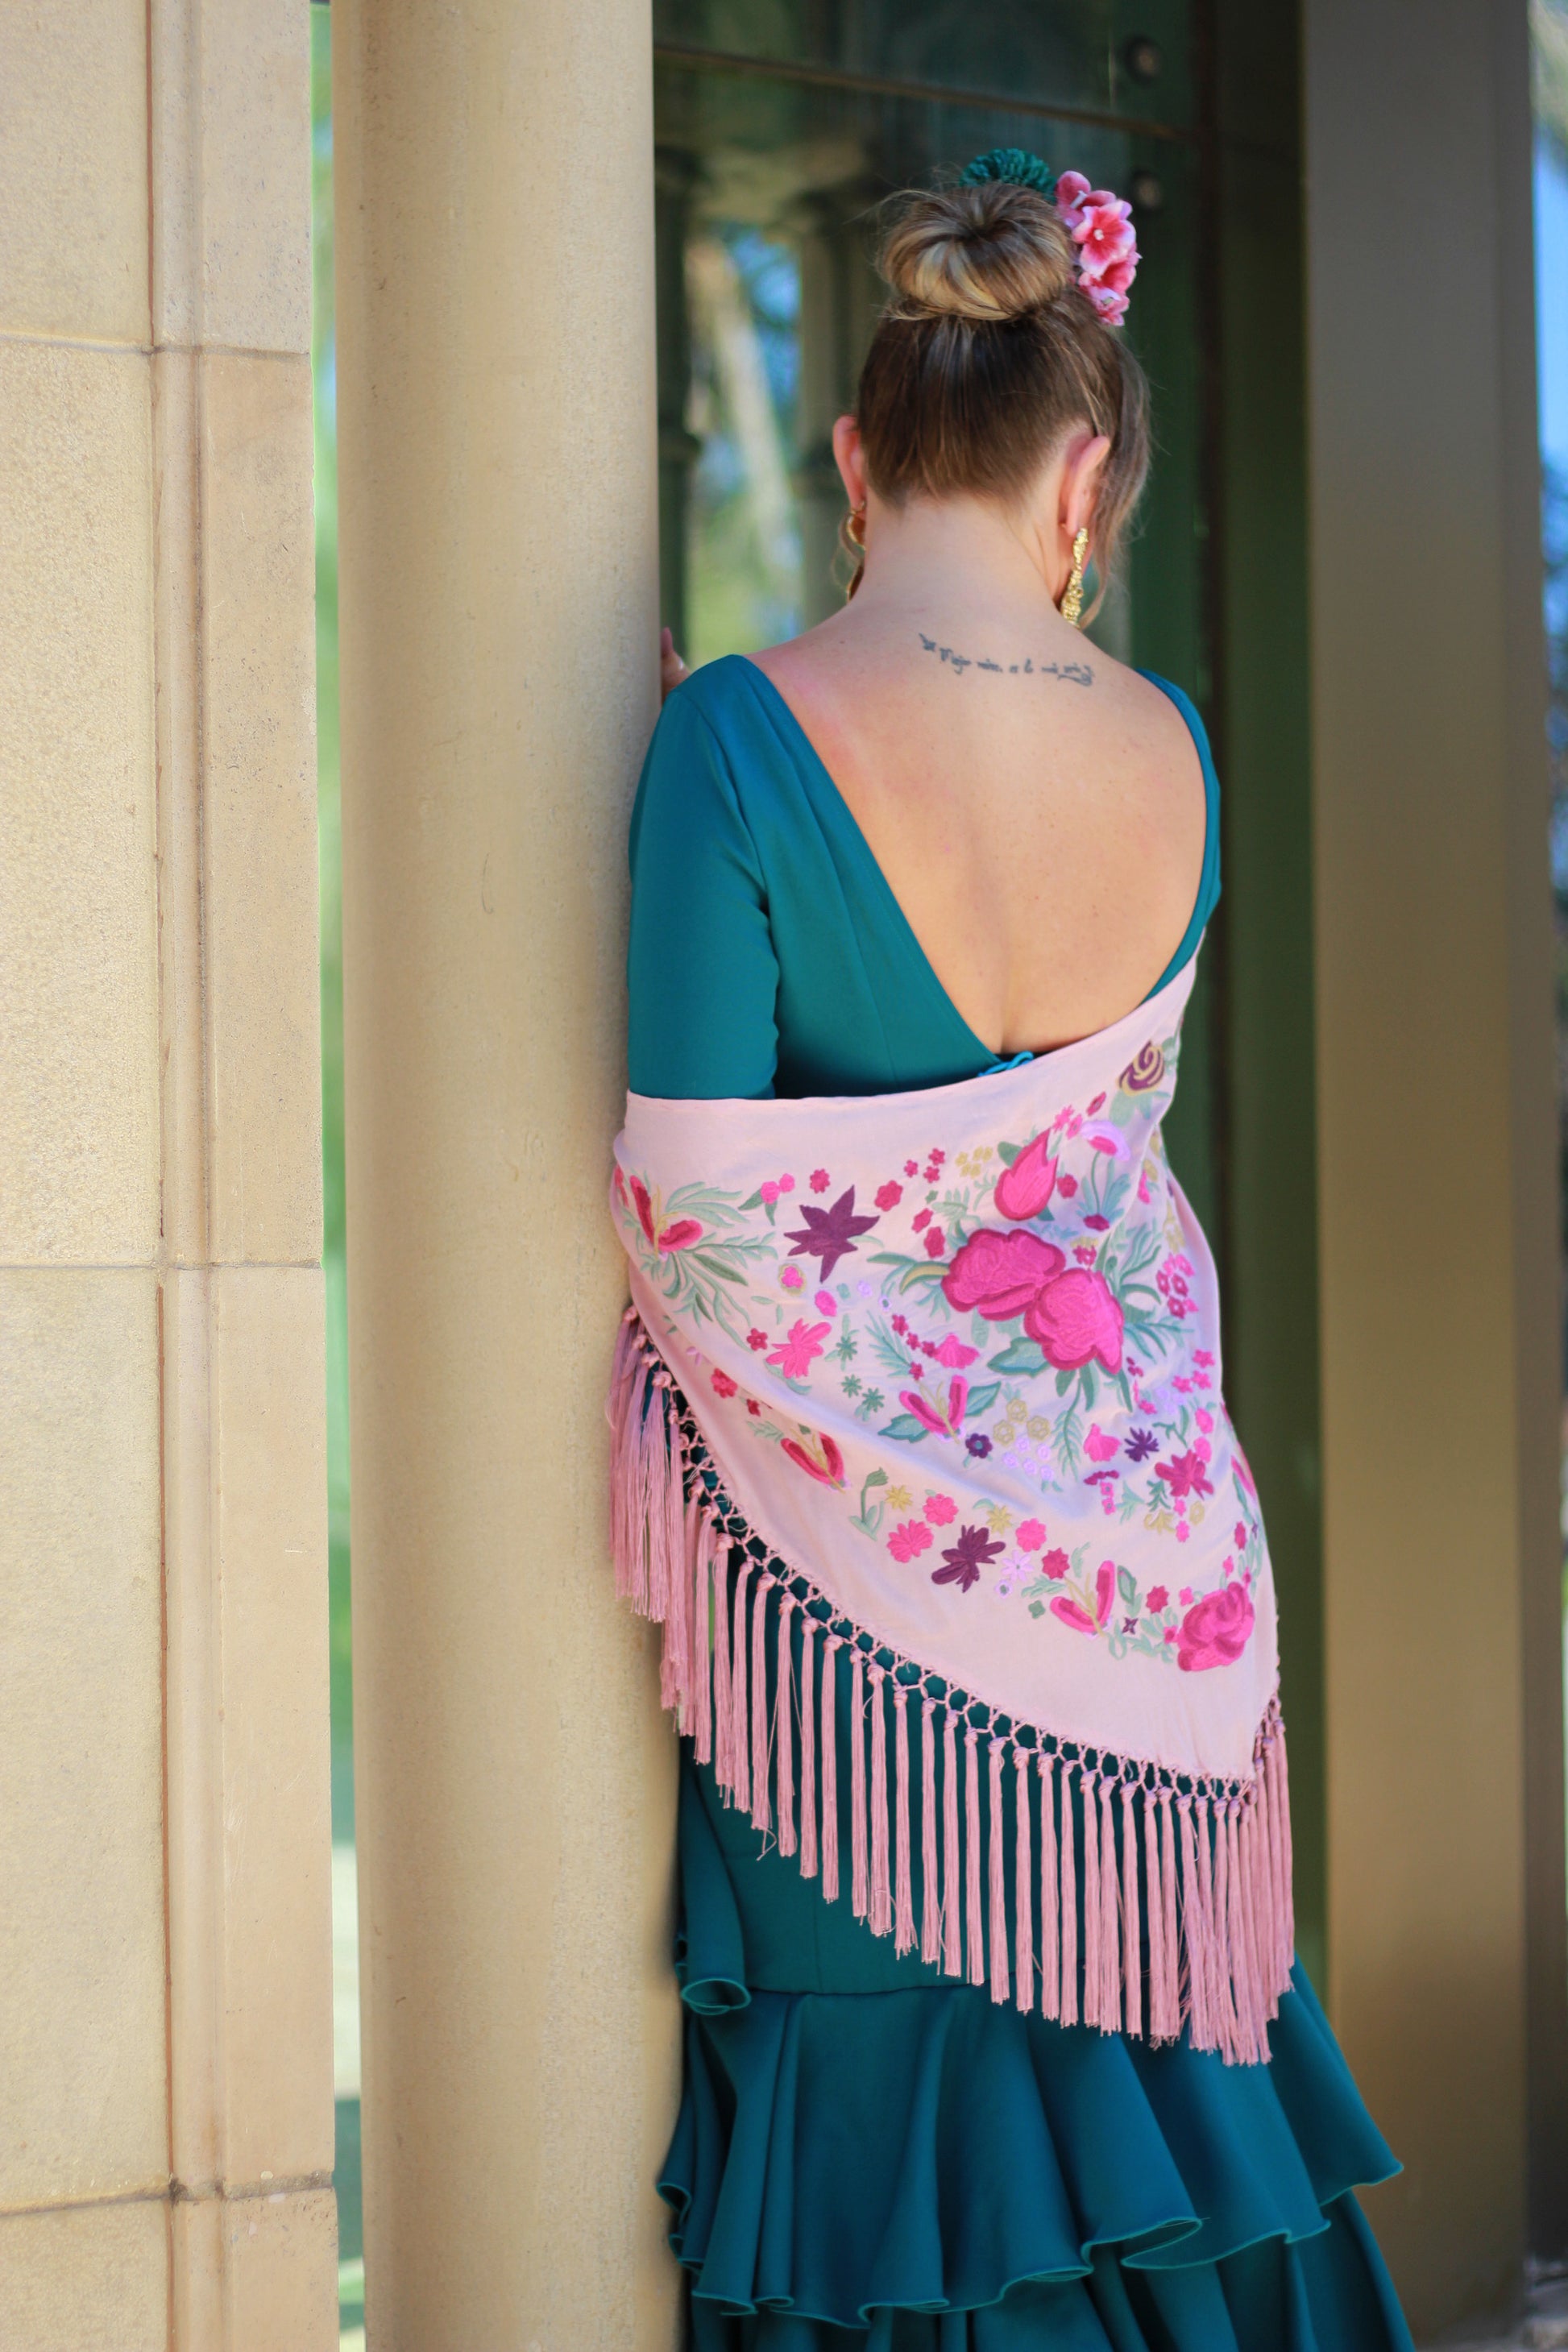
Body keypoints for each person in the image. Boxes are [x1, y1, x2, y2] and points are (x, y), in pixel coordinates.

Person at [614, 152, 1413, 2349]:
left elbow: (695, 1221)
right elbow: (1070, 1194)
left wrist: (693, 786)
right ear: (1085, 477)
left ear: (853, 459)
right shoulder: (1170, 752)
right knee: (1167, 2144)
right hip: (1149, 1617)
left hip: (856, 1657)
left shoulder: (734, 739)